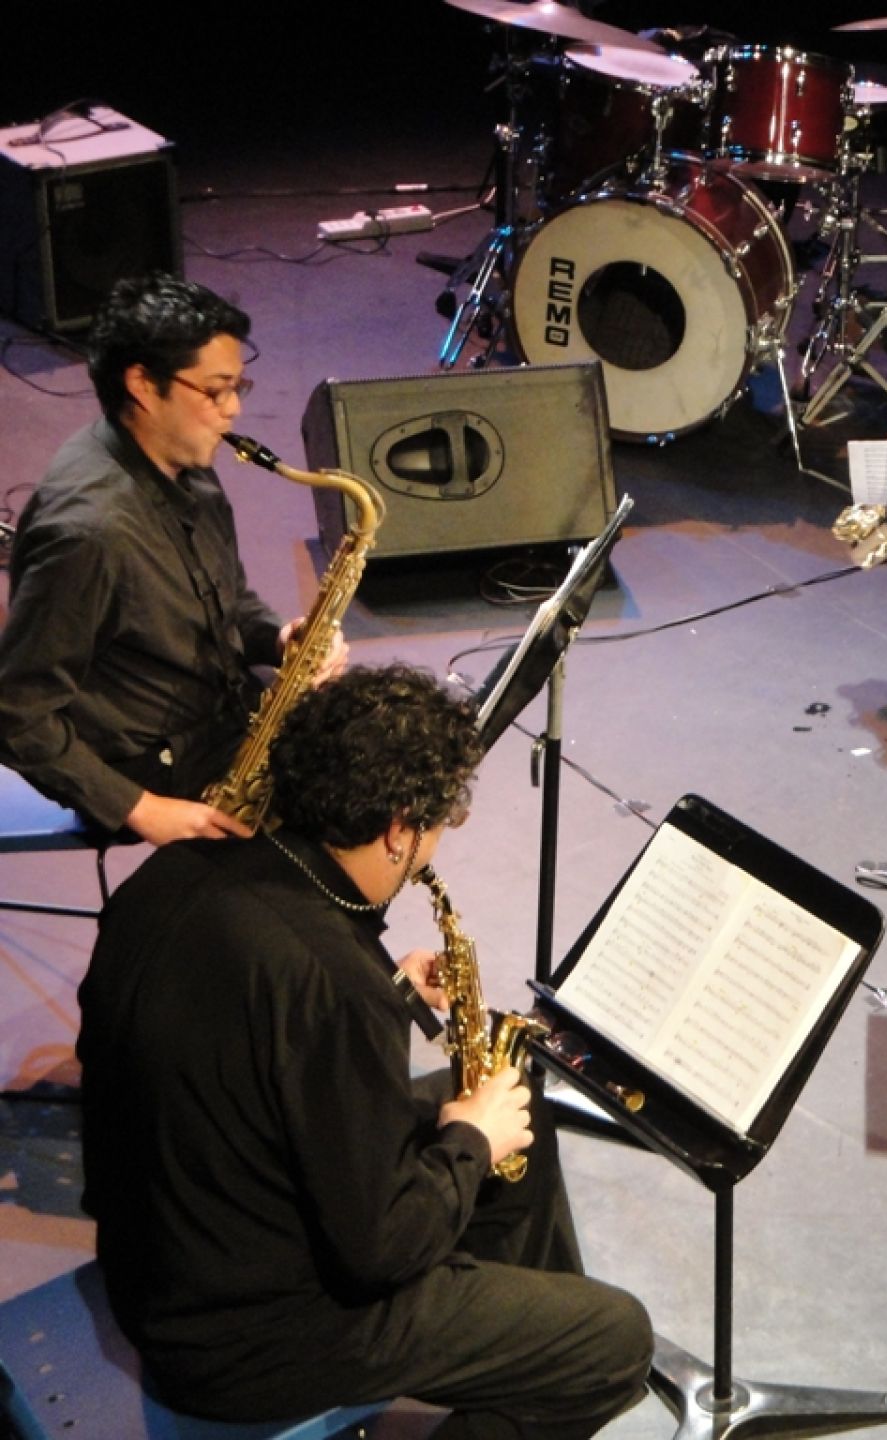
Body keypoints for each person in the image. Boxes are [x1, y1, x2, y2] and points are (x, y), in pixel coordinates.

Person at [78, 664, 652, 1436]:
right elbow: (380, 1248)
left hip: (162, 1255)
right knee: (614, 1341)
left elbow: (259, 1037)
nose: (429, 855)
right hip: (246, 1339)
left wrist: (392, 993)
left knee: (518, 1108)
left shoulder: (178, 869)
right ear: (399, 827)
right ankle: (546, 1358)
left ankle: (514, 1345)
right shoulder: (333, 980)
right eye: (435, 830)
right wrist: (468, 1143)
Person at [0, 273, 344, 845]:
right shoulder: (89, 535)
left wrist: (280, 640)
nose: (233, 410)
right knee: (335, 824)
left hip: (217, 704)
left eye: (238, 387)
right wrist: (140, 809)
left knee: (371, 741)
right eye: (215, 391)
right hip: (151, 764)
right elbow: (16, 711)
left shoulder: (181, 456)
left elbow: (229, 600)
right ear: (142, 384)